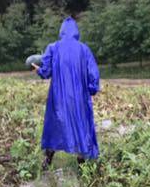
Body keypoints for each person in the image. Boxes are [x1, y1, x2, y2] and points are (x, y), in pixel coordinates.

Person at [33, 17, 100, 170]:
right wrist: (92, 89)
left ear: (61, 31)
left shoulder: (53, 48)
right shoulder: (84, 50)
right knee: (81, 125)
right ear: (76, 31)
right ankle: (82, 166)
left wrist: (38, 70)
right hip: (79, 98)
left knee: (55, 126)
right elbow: (93, 73)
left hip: (58, 97)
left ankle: (47, 161)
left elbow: (46, 72)